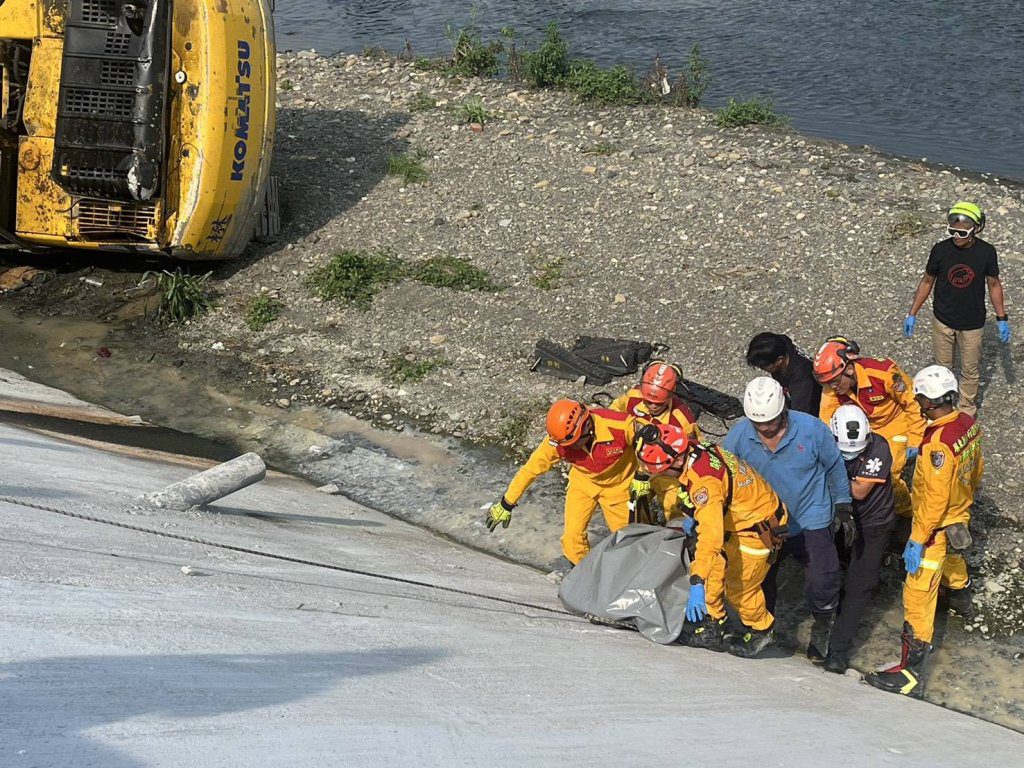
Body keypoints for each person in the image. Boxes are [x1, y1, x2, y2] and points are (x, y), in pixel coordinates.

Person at [866, 366, 982, 698]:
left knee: (917, 595)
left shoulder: (938, 444)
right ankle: (962, 595)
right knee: (953, 561)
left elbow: (934, 498)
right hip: (959, 513)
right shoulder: (966, 425)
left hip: (935, 527)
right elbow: (975, 471)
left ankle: (911, 673)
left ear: (927, 403)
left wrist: (918, 538)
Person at [723, 377, 853, 662]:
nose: (766, 428)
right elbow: (725, 478)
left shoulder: (812, 430)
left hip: (810, 516)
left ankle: (823, 623)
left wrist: (843, 503)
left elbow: (834, 467)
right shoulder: (738, 437)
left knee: (823, 578)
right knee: (757, 578)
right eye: (759, 424)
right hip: (764, 523)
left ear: (783, 409)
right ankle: (761, 627)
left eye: (771, 421)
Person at [634, 422, 788, 658]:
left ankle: (761, 629)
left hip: (756, 529)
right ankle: (713, 624)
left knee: (740, 589)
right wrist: (692, 514)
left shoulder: (706, 484)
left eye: (661, 469)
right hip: (735, 520)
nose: (660, 474)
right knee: (714, 573)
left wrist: (696, 581)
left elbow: (710, 537)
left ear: (675, 461)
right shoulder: (694, 450)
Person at [486, 399, 643, 565]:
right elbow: (531, 469)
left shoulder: (620, 426)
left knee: (630, 539)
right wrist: (507, 503)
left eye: (573, 444)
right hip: (582, 486)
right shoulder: (558, 441)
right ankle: (584, 575)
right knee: (571, 539)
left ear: (586, 427)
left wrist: (643, 477)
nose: (568, 448)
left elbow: (655, 442)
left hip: (619, 489)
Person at [903, 201, 1011, 417]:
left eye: (962, 231)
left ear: (976, 228)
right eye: (952, 229)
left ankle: (966, 411)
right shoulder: (941, 250)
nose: (956, 235)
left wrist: (1002, 317)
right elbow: (927, 282)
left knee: (970, 371)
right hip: (943, 319)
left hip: (972, 323)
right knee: (943, 368)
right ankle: (944, 409)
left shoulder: (986, 252)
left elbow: (994, 284)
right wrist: (912, 313)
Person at [813, 337, 925, 519]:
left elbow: (913, 403)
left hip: (897, 425)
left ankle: (908, 512)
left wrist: (916, 440)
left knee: (890, 475)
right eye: (827, 382)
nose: (832, 387)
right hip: (868, 429)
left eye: (835, 381)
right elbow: (826, 419)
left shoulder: (883, 373)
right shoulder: (832, 388)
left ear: (849, 369)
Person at [823, 404, 896, 674]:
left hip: (873, 524)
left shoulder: (878, 448)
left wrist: (829, 476)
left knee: (858, 586)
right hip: (839, 517)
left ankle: (838, 650)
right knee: (832, 571)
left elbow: (860, 490)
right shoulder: (828, 442)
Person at [610, 361, 702, 522]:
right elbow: (613, 413)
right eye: (648, 402)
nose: (652, 406)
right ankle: (644, 528)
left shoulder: (682, 419)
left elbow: (694, 453)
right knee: (630, 509)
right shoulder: (633, 397)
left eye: (658, 404)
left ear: (671, 395)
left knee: (675, 513)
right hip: (636, 463)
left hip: (667, 472)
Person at [745, 332, 822, 415]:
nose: (762, 369)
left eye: (763, 366)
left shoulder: (801, 380)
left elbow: (799, 415)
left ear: (779, 360)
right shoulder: (782, 344)